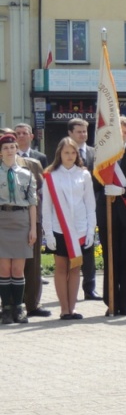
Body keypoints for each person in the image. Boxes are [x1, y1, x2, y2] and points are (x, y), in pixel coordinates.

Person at [94, 116, 126, 317]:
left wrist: (123, 191)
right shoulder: (103, 156)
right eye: (119, 132)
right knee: (111, 259)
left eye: (125, 133)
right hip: (107, 215)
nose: (122, 136)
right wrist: (105, 190)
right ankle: (111, 302)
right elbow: (96, 186)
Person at [41, 137, 96, 320]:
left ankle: (72, 309)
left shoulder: (84, 174)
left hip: (80, 230)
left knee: (75, 269)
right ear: (59, 154)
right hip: (59, 229)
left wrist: (90, 230)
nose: (70, 156)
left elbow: (90, 204)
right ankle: (63, 309)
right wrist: (48, 233)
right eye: (66, 152)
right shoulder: (50, 175)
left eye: (73, 152)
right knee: (61, 268)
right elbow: (46, 207)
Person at [0, 132, 38, 324]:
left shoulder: (27, 174)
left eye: (12, 147)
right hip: (2, 220)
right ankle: (5, 308)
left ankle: (19, 307)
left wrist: (33, 229)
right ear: (0, 152)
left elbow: (32, 203)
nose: (9, 151)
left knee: (18, 268)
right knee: (4, 268)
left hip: (21, 220)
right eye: (5, 148)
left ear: (17, 149)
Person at [12, 125, 49, 318]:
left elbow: (41, 193)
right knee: (10, 265)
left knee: (33, 265)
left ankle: (33, 304)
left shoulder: (35, 162)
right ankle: (10, 305)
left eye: (22, 134)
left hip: (32, 219)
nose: (18, 139)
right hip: (8, 221)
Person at [66, 118, 101, 301]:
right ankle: (66, 289)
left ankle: (90, 288)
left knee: (88, 248)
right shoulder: (63, 153)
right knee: (67, 251)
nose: (83, 135)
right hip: (68, 210)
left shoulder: (95, 154)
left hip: (90, 207)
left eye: (85, 131)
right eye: (79, 131)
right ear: (70, 133)